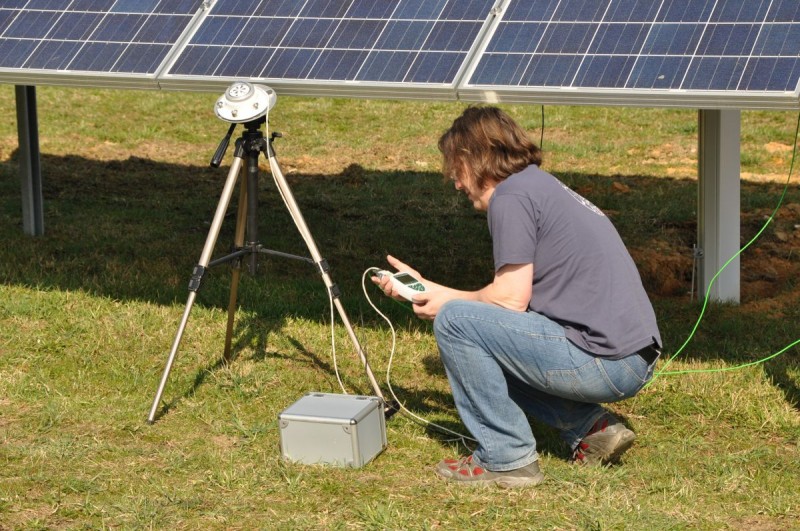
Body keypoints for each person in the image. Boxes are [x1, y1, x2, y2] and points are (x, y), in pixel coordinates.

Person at [374, 106, 662, 488]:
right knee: (475, 337)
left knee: (457, 324)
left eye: (454, 171)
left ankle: (506, 457)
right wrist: (434, 291)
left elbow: (509, 301)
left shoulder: (510, 198)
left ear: (470, 159)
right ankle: (592, 428)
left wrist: (449, 307)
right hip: (632, 358)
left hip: (605, 362)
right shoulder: (537, 185)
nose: (456, 184)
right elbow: (508, 308)